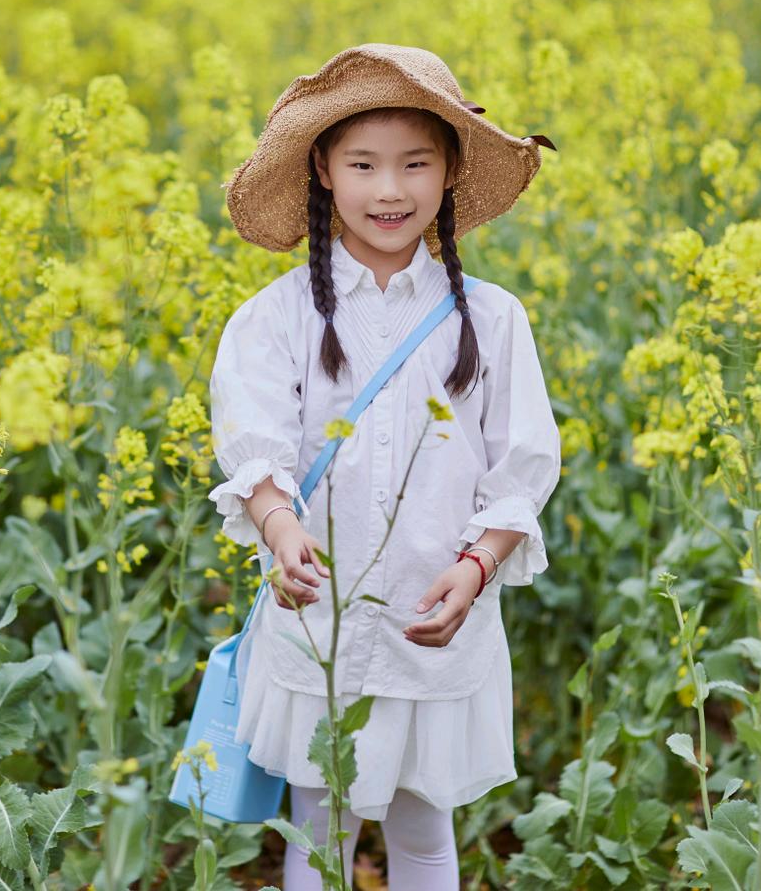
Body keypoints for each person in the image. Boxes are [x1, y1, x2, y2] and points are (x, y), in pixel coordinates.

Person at [206, 44, 562, 890]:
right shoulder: (275, 317)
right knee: (319, 831)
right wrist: (279, 526)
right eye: (364, 164)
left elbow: (522, 467)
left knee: (423, 828)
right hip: (317, 620)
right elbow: (253, 439)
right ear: (324, 170)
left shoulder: (495, 319)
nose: (390, 190)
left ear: (448, 174)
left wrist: (478, 569)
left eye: (415, 164)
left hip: (435, 621)